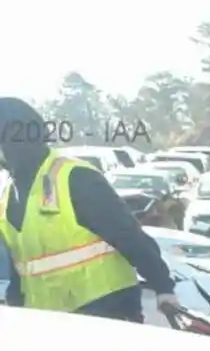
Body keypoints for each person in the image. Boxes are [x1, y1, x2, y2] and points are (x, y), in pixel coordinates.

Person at [0, 96, 183, 322]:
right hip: (51, 322)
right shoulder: (10, 192)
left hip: (105, 312)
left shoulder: (74, 177)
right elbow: (23, 265)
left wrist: (162, 286)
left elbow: (128, 234)